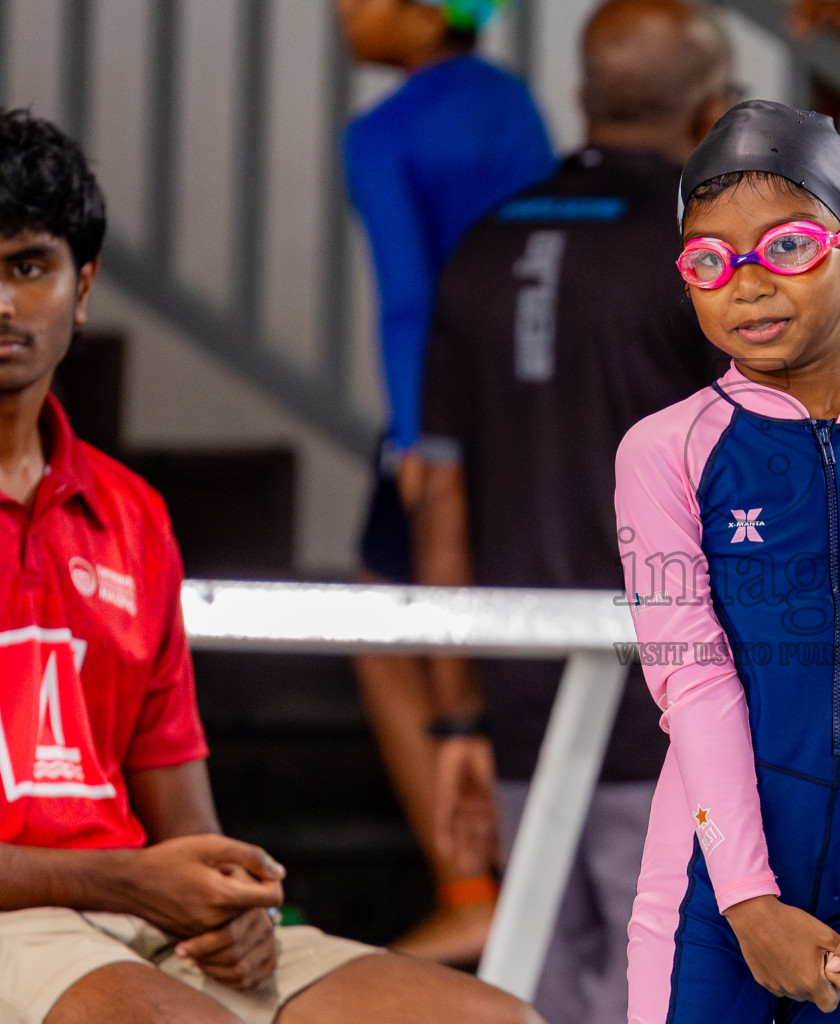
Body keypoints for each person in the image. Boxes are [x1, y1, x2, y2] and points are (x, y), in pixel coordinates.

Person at [0, 107, 543, 1024]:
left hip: (133, 915)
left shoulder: (131, 514)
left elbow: (184, 822)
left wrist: (229, 909)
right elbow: (144, 870)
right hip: (25, 922)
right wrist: (133, 881)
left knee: (494, 1021)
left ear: (83, 287)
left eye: (30, 266)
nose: (6, 303)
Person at [617, 100, 840, 1022]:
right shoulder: (666, 451)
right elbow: (690, 680)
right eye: (709, 260)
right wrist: (748, 902)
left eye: (785, 249)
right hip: (710, 898)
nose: (745, 286)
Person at [413, 2, 734, 1021]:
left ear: (581, 103)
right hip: (677, 722)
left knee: (543, 1005)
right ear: (713, 112)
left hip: (515, 711)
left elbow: (440, 495)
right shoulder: (709, 261)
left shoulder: (478, 248)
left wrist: (456, 713)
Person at [336, 0, 555, 962]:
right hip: (540, 405)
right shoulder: (518, 107)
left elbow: (406, 298)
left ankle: (470, 885)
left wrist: (417, 443)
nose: (343, 9)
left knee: (383, 622)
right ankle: (531, 869)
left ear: (431, 14)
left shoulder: (382, 131)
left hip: (447, 414)